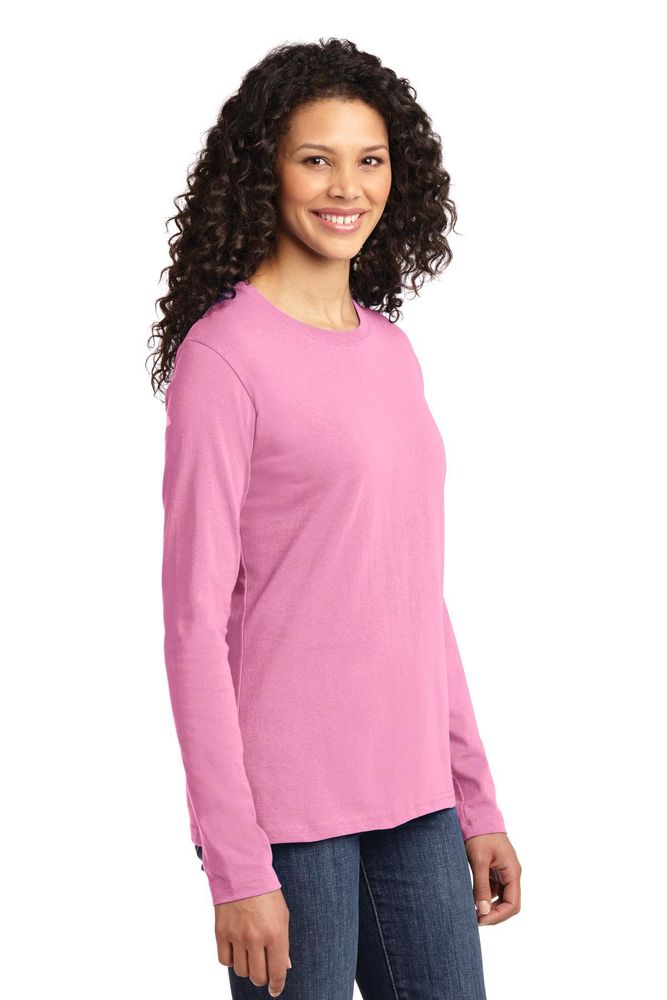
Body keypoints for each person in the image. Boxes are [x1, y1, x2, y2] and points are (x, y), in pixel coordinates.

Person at [149, 36, 521, 1000]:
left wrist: (474, 799)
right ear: (264, 170)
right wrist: (236, 863)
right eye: (315, 159)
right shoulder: (222, 360)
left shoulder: (391, 352)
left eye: (370, 160)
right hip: (285, 817)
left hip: (416, 801)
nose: (345, 187)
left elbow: (413, 594)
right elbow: (192, 626)